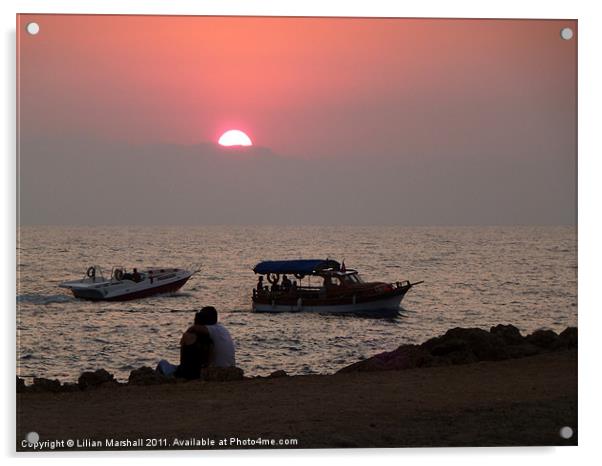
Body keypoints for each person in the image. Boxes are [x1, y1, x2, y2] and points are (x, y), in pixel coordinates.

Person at [156, 310, 214, 380]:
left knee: (162, 363)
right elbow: (208, 363)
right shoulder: (210, 341)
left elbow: (182, 359)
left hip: (184, 374)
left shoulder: (187, 336)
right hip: (197, 375)